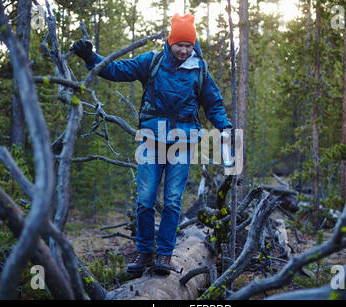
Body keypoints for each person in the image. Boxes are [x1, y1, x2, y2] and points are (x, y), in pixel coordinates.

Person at [71, 13, 232, 278]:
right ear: (170, 42)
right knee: (145, 201)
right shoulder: (152, 61)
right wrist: (91, 58)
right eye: (179, 44)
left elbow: (213, 103)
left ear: (193, 45)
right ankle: (144, 252)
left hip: (183, 141)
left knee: (171, 201)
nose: (183, 50)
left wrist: (223, 125)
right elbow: (116, 70)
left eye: (188, 45)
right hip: (150, 139)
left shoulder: (200, 69)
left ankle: (164, 255)